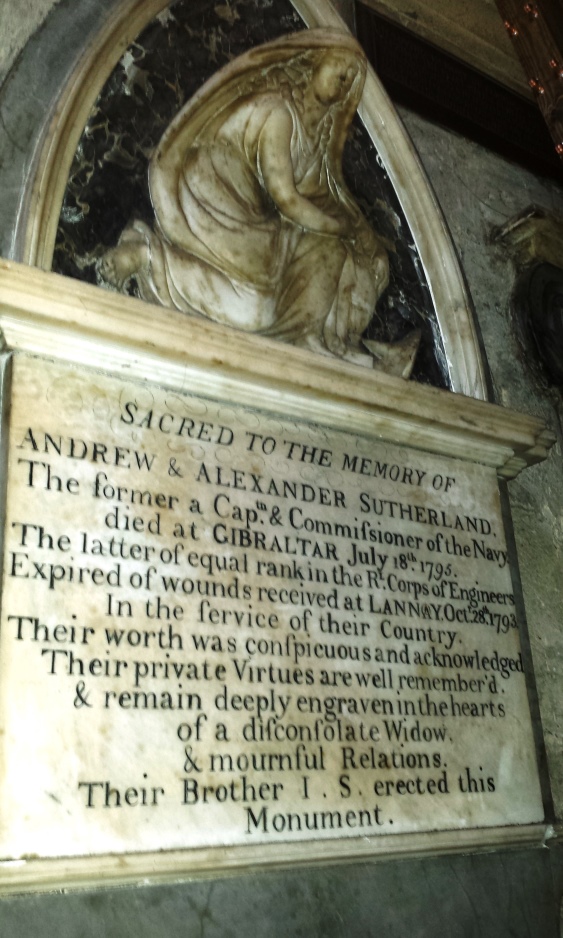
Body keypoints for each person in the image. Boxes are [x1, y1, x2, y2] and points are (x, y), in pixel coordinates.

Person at [99, 29, 389, 364]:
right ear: (313, 65)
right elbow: (287, 200)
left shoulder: (318, 133)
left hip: (253, 214)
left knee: (259, 313)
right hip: (213, 192)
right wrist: (343, 229)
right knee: (264, 293)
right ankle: (145, 256)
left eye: (350, 79)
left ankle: (313, 337)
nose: (344, 81)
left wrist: (358, 234)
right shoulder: (279, 112)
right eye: (339, 70)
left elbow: (318, 194)